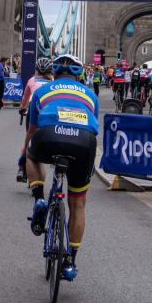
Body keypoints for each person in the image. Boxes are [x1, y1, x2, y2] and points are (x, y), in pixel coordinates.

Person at [26, 53, 99, 282]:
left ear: (54, 73)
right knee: (78, 204)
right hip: (83, 141)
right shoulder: (91, 95)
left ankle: (39, 197)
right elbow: (93, 126)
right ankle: (70, 261)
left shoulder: (42, 90)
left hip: (49, 136)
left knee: (31, 154)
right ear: (80, 74)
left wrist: (25, 149)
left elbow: (32, 129)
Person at [16, 56, 54, 182]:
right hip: (50, 112)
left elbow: (25, 98)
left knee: (29, 137)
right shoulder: (54, 82)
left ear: (36, 70)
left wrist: (22, 108)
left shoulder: (32, 80)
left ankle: (21, 167)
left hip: (34, 108)